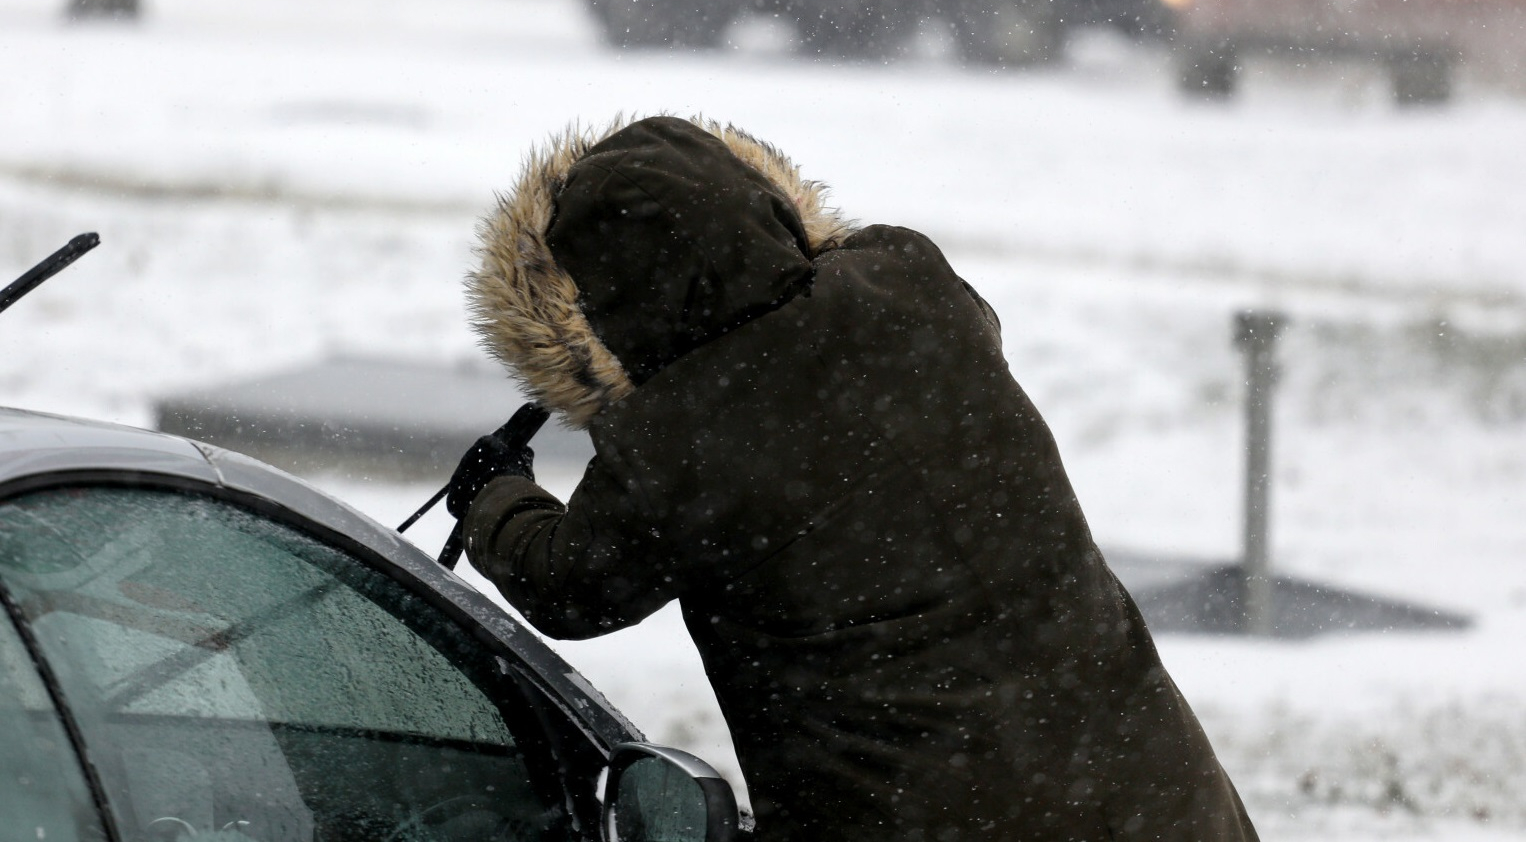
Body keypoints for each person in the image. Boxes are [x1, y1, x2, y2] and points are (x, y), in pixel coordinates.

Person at [449, 115, 1259, 842]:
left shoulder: (679, 444)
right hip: (1156, 792)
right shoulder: (915, 287)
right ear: (766, 201)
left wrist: (494, 492)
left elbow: (568, 586)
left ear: (593, 314)